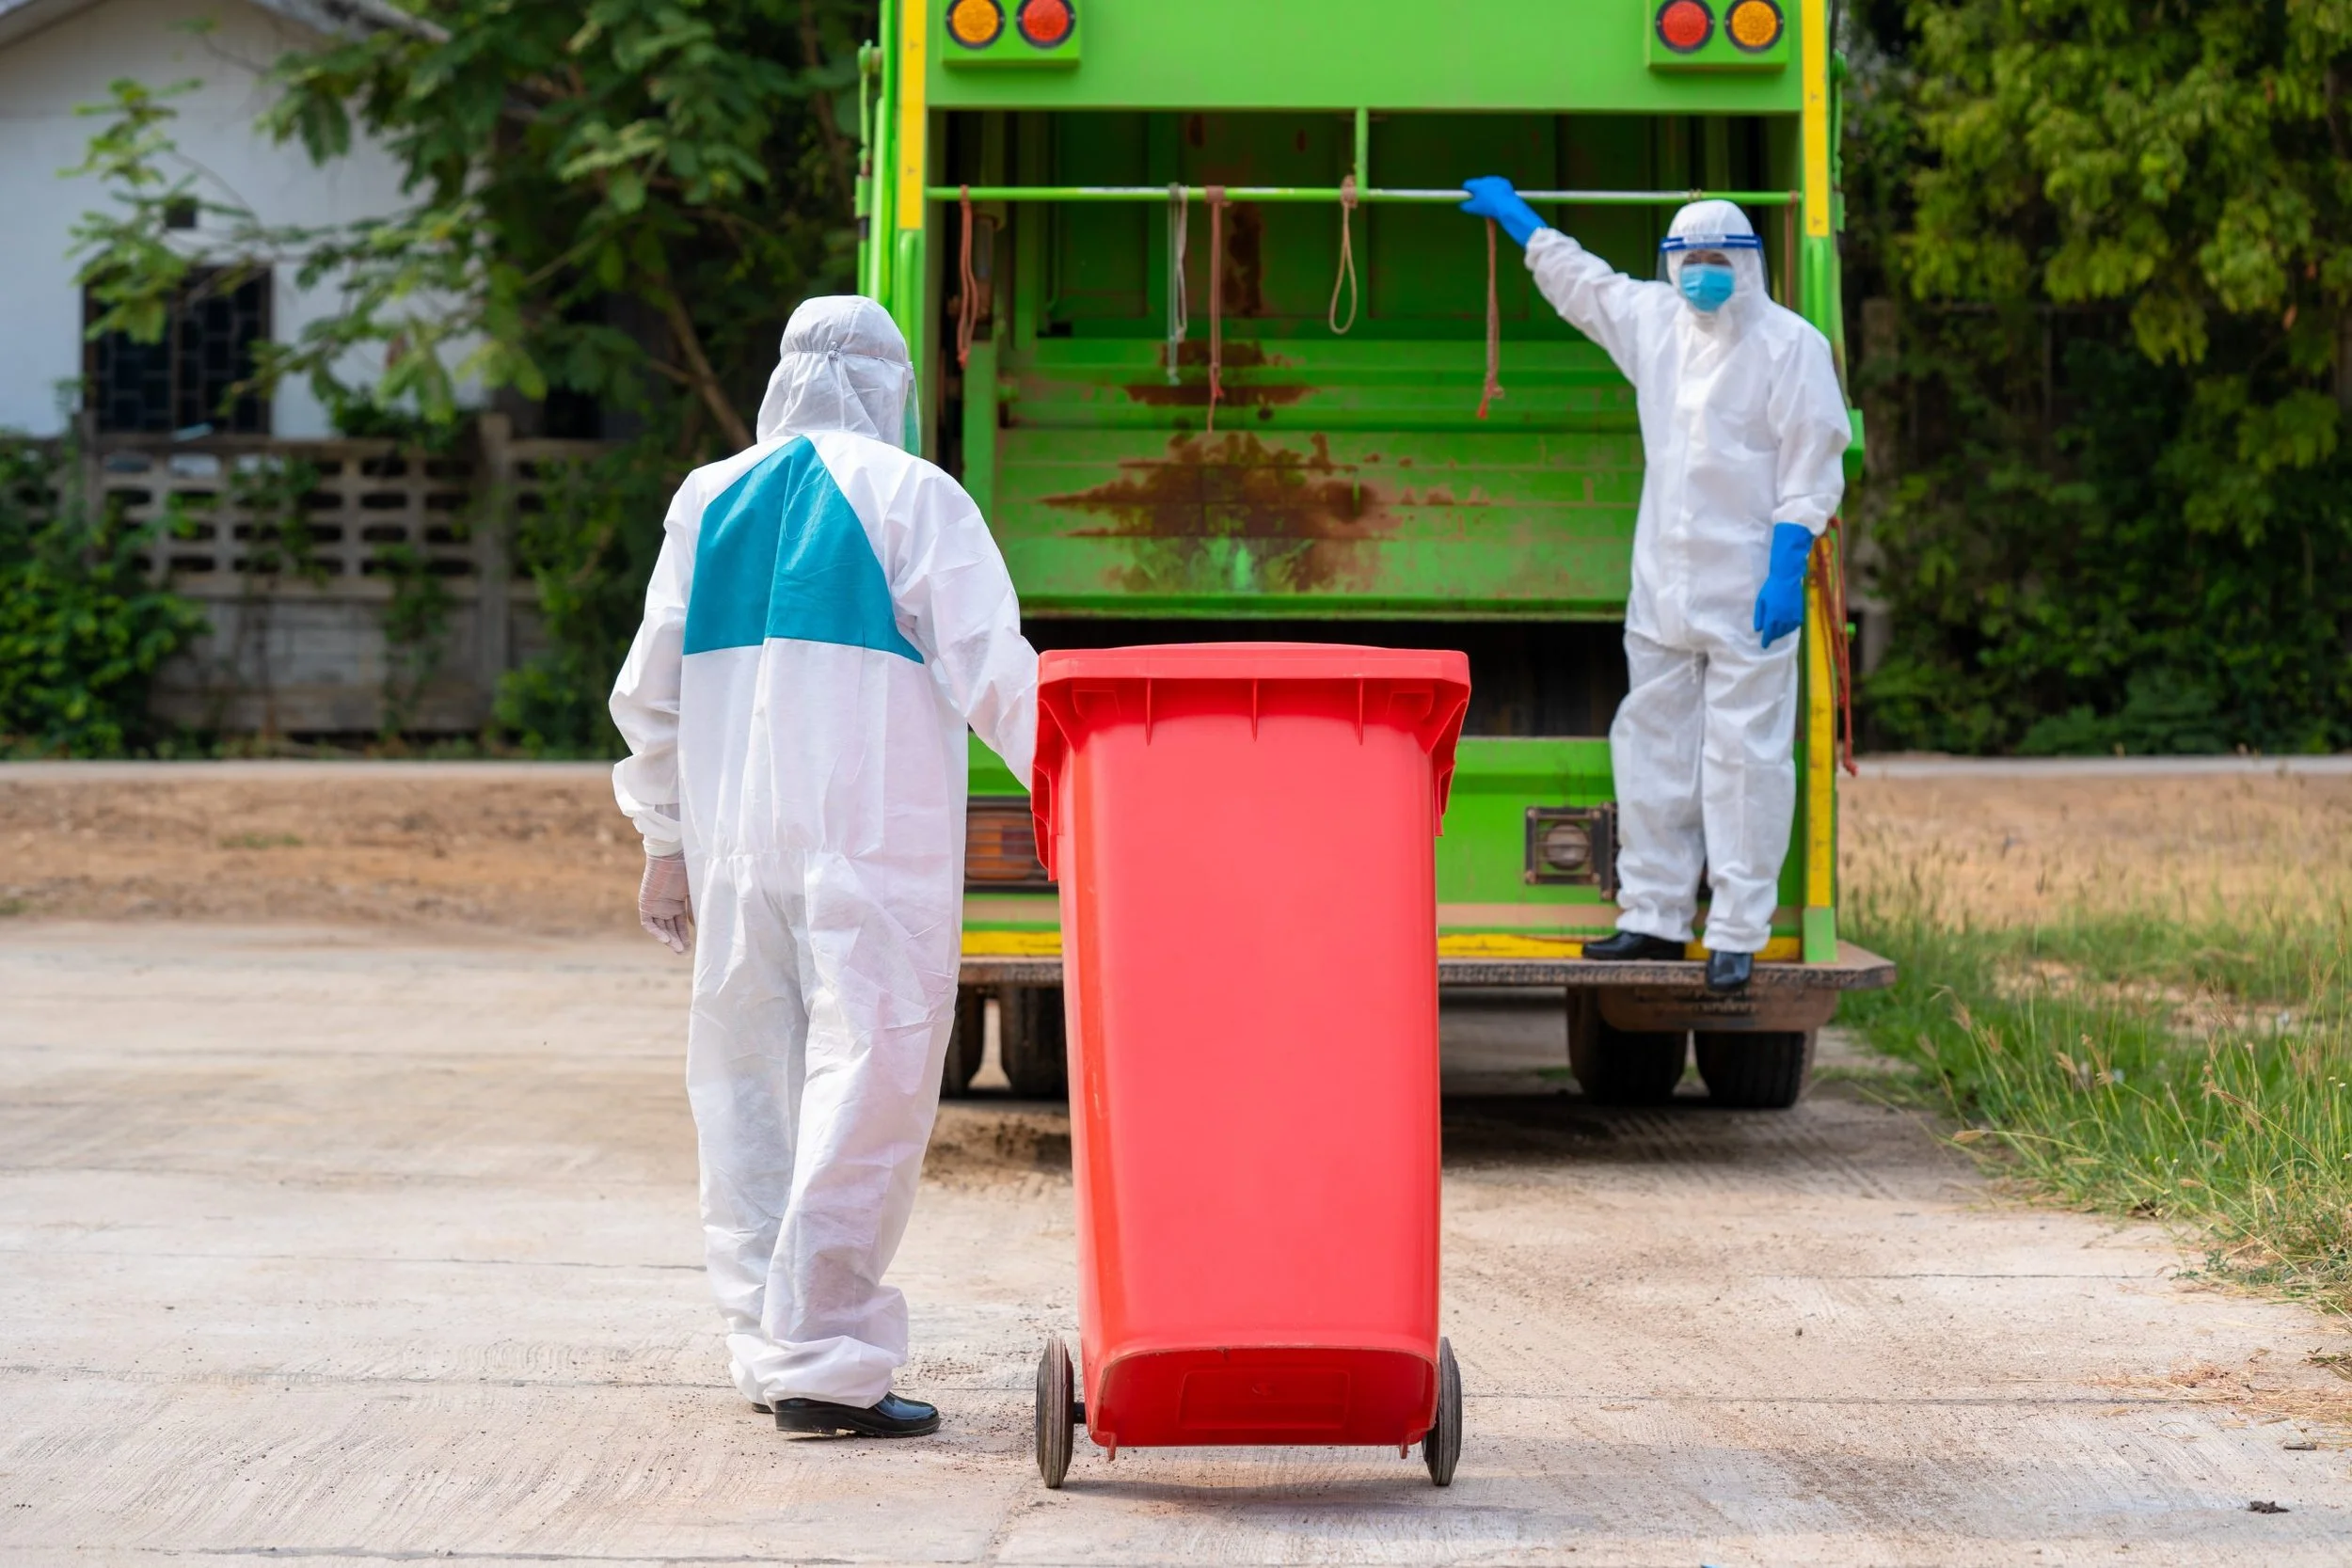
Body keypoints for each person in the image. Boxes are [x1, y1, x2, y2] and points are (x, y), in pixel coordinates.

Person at [610, 295, 1039, 1436]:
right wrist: (1083, 781)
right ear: (892, 384)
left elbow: (649, 689)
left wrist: (664, 841)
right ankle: (825, 1361)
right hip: (871, 842)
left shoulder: (709, 495)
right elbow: (996, 670)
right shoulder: (914, 496)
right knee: (867, 1091)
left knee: (746, 1094)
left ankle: (769, 1343)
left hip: (739, 850)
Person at [1459, 180, 1850, 992]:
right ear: (1670, 263)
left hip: (1751, 594)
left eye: (1718, 259)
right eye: (1688, 258)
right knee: (1652, 754)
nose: (1702, 272)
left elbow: (1812, 471)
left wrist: (1785, 571)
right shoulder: (1656, 324)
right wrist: (1522, 223)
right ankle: (1654, 920)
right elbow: (1585, 284)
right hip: (1664, 591)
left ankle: (1737, 931)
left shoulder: (1790, 345)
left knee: (1745, 761)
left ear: (1749, 264)